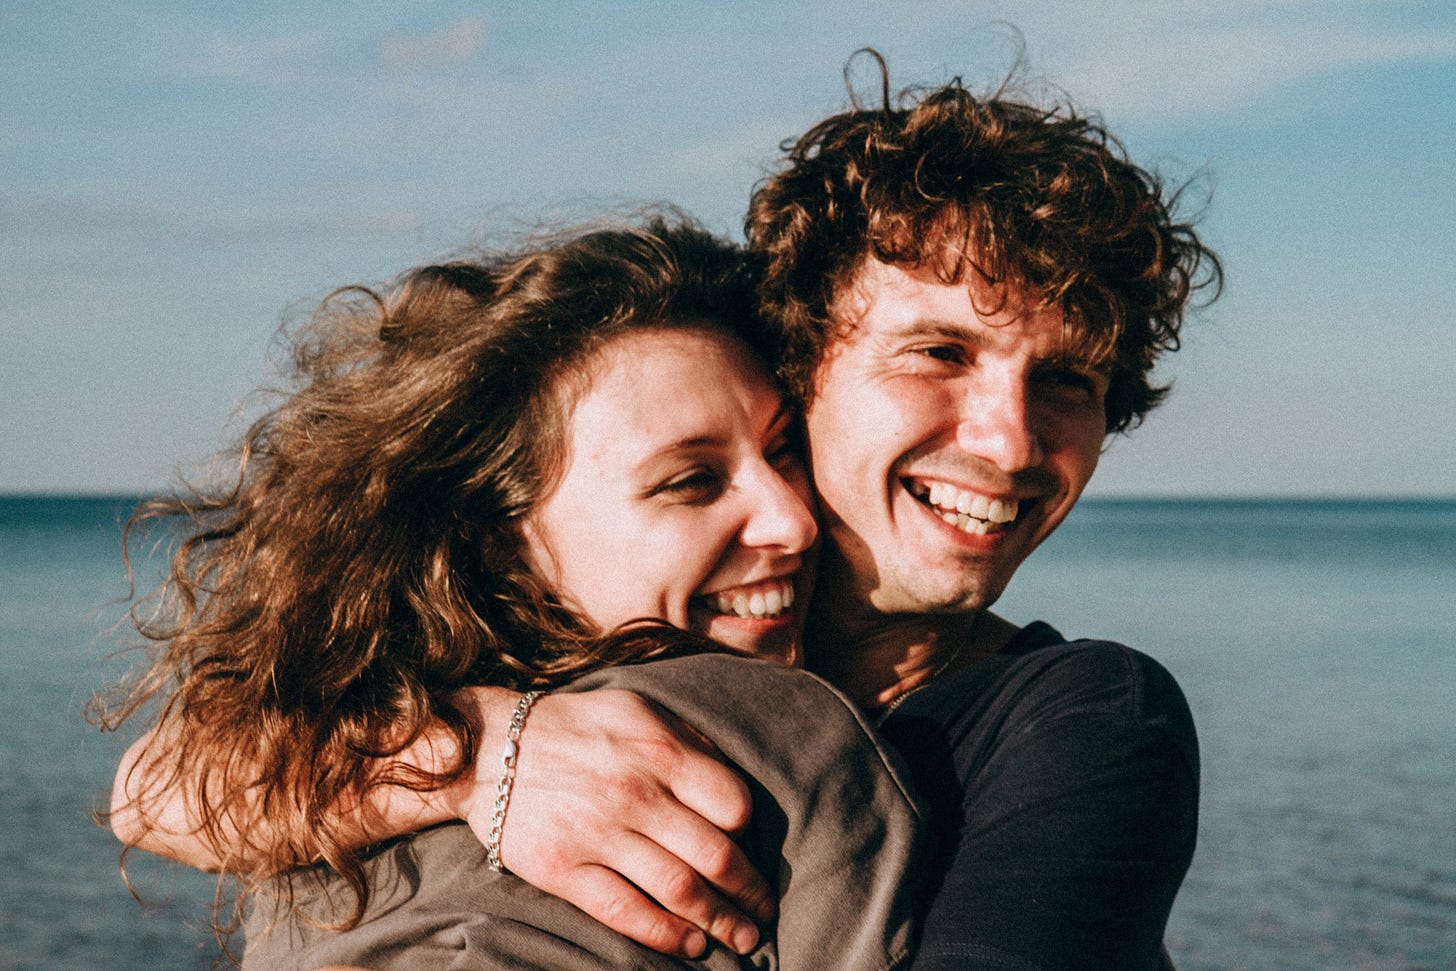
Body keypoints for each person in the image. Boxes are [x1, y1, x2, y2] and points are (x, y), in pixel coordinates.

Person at [116, 58, 1222, 970]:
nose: (1011, 441)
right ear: (800, 368)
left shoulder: (1075, 719)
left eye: (1069, 382)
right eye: (939, 351)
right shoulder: (532, 665)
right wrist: (485, 759)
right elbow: (155, 786)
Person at [102, 218, 926, 970]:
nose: (793, 520)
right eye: (691, 481)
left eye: (784, 450)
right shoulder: (787, 731)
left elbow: (150, 789)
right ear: (502, 542)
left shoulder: (357, 722)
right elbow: (150, 788)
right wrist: (480, 756)